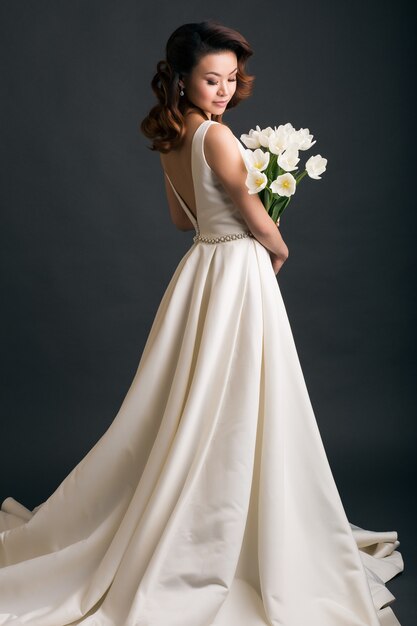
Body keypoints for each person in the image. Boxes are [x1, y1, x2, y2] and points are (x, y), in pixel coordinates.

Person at [0, 19, 404, 626]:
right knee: (242, 394)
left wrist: (234, 216)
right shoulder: (215, 136)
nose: (222, 90)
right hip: (238, 270)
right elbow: (247, 209)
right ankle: (228, 520)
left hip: (201, 270)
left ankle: (210, 506)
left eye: (231, 79)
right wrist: (279, 243)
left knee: (202, 397)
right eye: (211, 79)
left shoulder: (173, 138)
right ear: (182, 78)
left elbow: (177, 219)